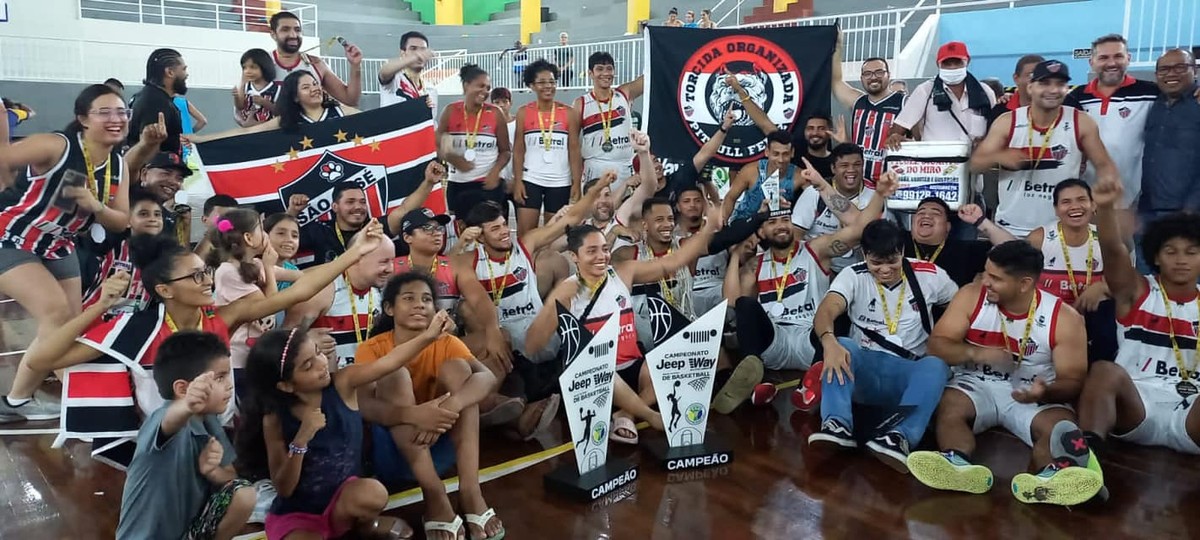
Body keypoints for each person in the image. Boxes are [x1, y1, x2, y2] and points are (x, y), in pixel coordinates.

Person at [2, 225, 391, 445]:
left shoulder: (222, 317)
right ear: (165, 289)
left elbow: (301, 291)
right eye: (196, 276)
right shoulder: (136, 330)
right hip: (159, 441)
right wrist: (98, 307)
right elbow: (42, 360)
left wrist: (353, 255)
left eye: (205, 272)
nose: (207, 281)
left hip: (217, 428)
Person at [0, 84, 152, 423]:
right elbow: (4, 158)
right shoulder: (57, 145)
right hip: (11, 235)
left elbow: (121, 220)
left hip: (59, 243)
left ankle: (18, 399)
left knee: (68, 325)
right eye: (104, 112)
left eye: (121, 112)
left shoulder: (118, 164)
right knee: (54, 314)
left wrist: (95, 205)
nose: (116, 119)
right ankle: (19, 399)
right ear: (82, 119)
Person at [909, 240, 1098, 506]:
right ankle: (956, 462)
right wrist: (977, 353)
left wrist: (1045, 392)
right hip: (977, 382)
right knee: (949, 406)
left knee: (1059, 426)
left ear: (1024, 283)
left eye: (995, 278)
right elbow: (937, 344)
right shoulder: (971, 295)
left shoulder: (1064, 317)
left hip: (1032, 392)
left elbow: (1074, 380)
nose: (985, 281)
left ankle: (1050, 479)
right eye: (986, 272)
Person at [718, 170, 897, 412]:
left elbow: (857, 231)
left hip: (813, 338)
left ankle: (811, 383)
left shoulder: (816, 249)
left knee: (839, 308)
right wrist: (736, 256)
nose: (781, 226)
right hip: (775, 341)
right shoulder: (754, 265)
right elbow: (731, 303)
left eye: (785, 220)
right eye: (772, 222)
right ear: (761, 231)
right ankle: (756, 376)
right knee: (746, 305)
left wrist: (878, 194)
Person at [525, 215, 714, 443]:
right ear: (575, 257)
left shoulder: (623, 272)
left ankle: (627, 413)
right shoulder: (567, 290)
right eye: (592, 251)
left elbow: (672, 263)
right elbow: (532, 344)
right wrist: (552, 310)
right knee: (604, 370)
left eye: (605, 249)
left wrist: (709, 227)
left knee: (670, 360)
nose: (601, 256)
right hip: (594, 378)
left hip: (631, 366)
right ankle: (650, 415)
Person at [352, 274, 505, 540]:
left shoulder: (446, 342)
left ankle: (470, 492)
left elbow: (488, 377)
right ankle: (435, 496)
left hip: (440, 448)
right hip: (393, 454)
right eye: (408, 298)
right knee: (394, 374)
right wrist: (415, 415)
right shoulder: (372, 348)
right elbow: (364, 405)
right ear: (389, 308)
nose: (419, 305)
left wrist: (448, 406)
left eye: (426, 299)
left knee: (460, 373)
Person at [237, 325, 426, 539]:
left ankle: (362, 526)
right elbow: (284, 489)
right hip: (299, 515)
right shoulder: (275, 419)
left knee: (374, 492)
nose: (322, 364)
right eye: (308, 366)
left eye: (318, 352)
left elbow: (390, 361)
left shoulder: (343, 383)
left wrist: (430, 334)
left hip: (342, 501)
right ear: (286, 386)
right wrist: (302, 438)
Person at [1076, 178, 1200, 498]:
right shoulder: (1137, 292)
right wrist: (1104, 209)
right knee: (1103, 370)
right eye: (1171, 251)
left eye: (1191, 252)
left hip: (1191, 417)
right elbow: (1114, 252)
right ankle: (1083, 467)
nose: (1181, 259)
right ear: (1156, 257)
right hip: (1136, 406)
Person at [809, 220, 957, 472]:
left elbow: (962, 307)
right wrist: (828, 341)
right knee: (842, 345)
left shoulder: (931, 274)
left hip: (908, 373)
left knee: (936, 366)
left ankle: (899, 438)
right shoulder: (853, 274)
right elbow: (827, 309)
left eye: (892, 261)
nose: (885, 269)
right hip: (864, 370)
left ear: (902, 251)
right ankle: (836, 424)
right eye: (876, 263)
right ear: (864, 255)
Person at [116, 332, 254, 540]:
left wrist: (213, 472)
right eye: (219, 377)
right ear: (182, 388)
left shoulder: (209, 421)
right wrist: (187, 404)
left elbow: (231, 476)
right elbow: (171, 420)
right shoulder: (163, 417)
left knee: (243, 494)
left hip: (183, 534)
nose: (229, 385)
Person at [971, 60, 1119, 238]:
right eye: (1045, 83)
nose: (1054, 90)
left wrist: (1105, 189)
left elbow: (1105, 166)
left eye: (1060, 84)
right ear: (1030, 87)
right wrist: (999, 157)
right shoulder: (1008, 121)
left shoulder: (1081, 122)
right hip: (1011, 227)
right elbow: (975, 164)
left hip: (1061, 227)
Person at [1065, 34, 1159, 212]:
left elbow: (1181, 98)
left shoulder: (1151, 93)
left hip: (1133, 199)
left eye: (1118, 56)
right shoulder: (1075, 97)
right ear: (1091, 62)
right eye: (1103, 58)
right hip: (1083, 197)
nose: (1111, 63)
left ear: (1128, 59)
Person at [284, 162, 440, 268]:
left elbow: (404, 210)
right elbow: (284, 243)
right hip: (329, 299)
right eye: (350, 202)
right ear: (335, 207)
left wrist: (429, 182)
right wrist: (292, 212)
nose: (358, 207)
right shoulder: (320, 230)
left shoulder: (374, 227)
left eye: (362, 202)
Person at [208, 209, 286, 406]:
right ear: (249, 238)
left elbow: (301, 277)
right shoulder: (227, 271)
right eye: (262, 228)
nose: (266, 235)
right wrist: (269, 267)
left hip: (257, 360)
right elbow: (270, 305)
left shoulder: (255, 265)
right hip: (238, 363)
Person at [1140, 49, 1200, 261]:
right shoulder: (1153, 103)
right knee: (1149, 280)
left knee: (1186, 279)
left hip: (1189, 213)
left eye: (1180, 67)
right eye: (1164, 69)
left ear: (1195, 70)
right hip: (1147, 211)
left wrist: (1192, 208)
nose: (1171, 74)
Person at [512, 59, 581, 235]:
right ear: (532, 85)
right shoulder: (523, 112)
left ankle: (546, 263)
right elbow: (519, 150)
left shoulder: (569, 113)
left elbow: (574, 149)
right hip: (531, 179)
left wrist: (576, 182)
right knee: (526, 234)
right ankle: (526, 263)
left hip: (560, 181)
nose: (548, 86)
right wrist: (518, 180)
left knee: (553, 235)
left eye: (552, 81)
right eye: (542, 82)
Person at [791, 144, 883, 272]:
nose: (851, 170)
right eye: (844, 166)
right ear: (833, 168)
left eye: (857, 165)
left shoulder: (876, 196)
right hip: (819, 266)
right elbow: (796, 235)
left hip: (862, 268)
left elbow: (878, 238)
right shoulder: (814, 193)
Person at [887, 41, 996, 150]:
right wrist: (895, 137)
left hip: (975, 162)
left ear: (967, 62)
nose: (952, 68)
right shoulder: (925, 91)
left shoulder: (985, 92)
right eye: (946, 64)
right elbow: (899, 127)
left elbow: (997, 129)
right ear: (938, 64)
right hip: (936, 162)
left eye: (957, 62)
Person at [831, 31, 905, 188]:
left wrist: (908, 142)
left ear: (888, 75)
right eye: (867, 73)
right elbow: (836, 81)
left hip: (892, 185)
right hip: (861, 186)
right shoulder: (858, 101)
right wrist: (838, 46)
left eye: (879, 72)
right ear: (861, 78)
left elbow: (920, 140)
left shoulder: (903, 102)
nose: (873, 77)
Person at [311, 235, 395, 369]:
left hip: (371, 378)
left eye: (392, 261)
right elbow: (283, 338)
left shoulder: (384, 292)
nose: (391, 269)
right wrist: (304, 340)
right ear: (357, 259)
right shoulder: (323, 290)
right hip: (331, 383)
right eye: (384, 262)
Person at [438, 64, 510, 219]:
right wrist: (453, 158)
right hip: (458, 183)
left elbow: (505, 151)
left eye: (488, 87)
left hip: (488, 184)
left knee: (490, 230)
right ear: (466, 86)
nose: (485, 91)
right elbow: (438, 145)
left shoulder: (495, 113)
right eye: (481, 86)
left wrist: (495, 173)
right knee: (461, 231)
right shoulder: (450, 111)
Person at [80, 189, 162, 316]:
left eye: (157, 214)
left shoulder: (163, 256)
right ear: (128, 221)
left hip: (131, 324)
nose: (153, 219)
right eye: (144, 214)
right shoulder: (109, 248)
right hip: (92, 318)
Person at [574, 51, 645, 182]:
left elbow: (649, 78)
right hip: (594, 168)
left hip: (625, 166)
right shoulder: (581, 103)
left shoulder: (624, 93)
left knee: (626, 203)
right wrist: (576, 180)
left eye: (609, 69)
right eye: (600, 69)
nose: (606, 73)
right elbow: (573, 143)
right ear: (590, 73)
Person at [267, 11, 363, 107]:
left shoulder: (316, 64)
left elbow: (350, 100)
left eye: (297, 30)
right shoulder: (260, 62)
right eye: (285, 30)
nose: (293, 35)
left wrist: (355, 66)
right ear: (273, 34)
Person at [904, 197, 994, 287]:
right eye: (921, 212)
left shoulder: (965, 250)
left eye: (936, 213)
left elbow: (1006, 248)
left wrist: (980, 221)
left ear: (948, 226)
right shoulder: (898, 242)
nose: (926, 216)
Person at [724, 130, 807, 221]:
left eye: (785, 154)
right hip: (745, 221)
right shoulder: (750, 171)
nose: (781, 160)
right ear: (767, 152)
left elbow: (816, 201)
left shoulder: (800, 176)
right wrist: (722, 222)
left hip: (775, 227)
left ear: (792, 153)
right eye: (776, 154)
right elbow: (730, 197)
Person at [128, 48, 188, 154]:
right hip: (156, 169)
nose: (186, 74)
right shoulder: (156, 103)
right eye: (183, 69)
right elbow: (149, 150)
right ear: (170, 72)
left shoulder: (146, 96)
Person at [135, 151, 192, 243]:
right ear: (144, 174)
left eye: (179, 178)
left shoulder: (169, 218)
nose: (173, 182)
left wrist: (185, 226)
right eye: (166, 174)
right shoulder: (125, 205)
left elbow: (180, 255)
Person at [379, 31, 437, 110]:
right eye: (413, 49)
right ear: (403, 53)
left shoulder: (431, 89)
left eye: (423, 50)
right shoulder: (396, 78)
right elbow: (384, 72)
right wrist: (414, 58)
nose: (419, 54)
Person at [988, 55, 1044, 128]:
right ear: (1016, 78)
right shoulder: (999, 111)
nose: (1038, 80)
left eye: (1043, 76)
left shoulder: (1058, 107)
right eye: (1031, 75)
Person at [233, 48, 280, 128]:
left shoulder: (277, 89)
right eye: (244, 68)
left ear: (264, 67)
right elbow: (240, 107)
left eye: (253, 67)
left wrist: (265, 103)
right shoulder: (244, 87)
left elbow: (280, 112)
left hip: (269, 130)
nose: (248, 71)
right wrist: (236, 96)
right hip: (247, 130)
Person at [490, 87, 517, 187]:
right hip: (497, 176)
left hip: (517, 177)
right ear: (491, 104)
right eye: (497, 102)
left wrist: (517, 178)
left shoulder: (518, 123)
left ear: (511, 102)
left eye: (505, 101)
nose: (501, 105)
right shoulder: (488, 126)